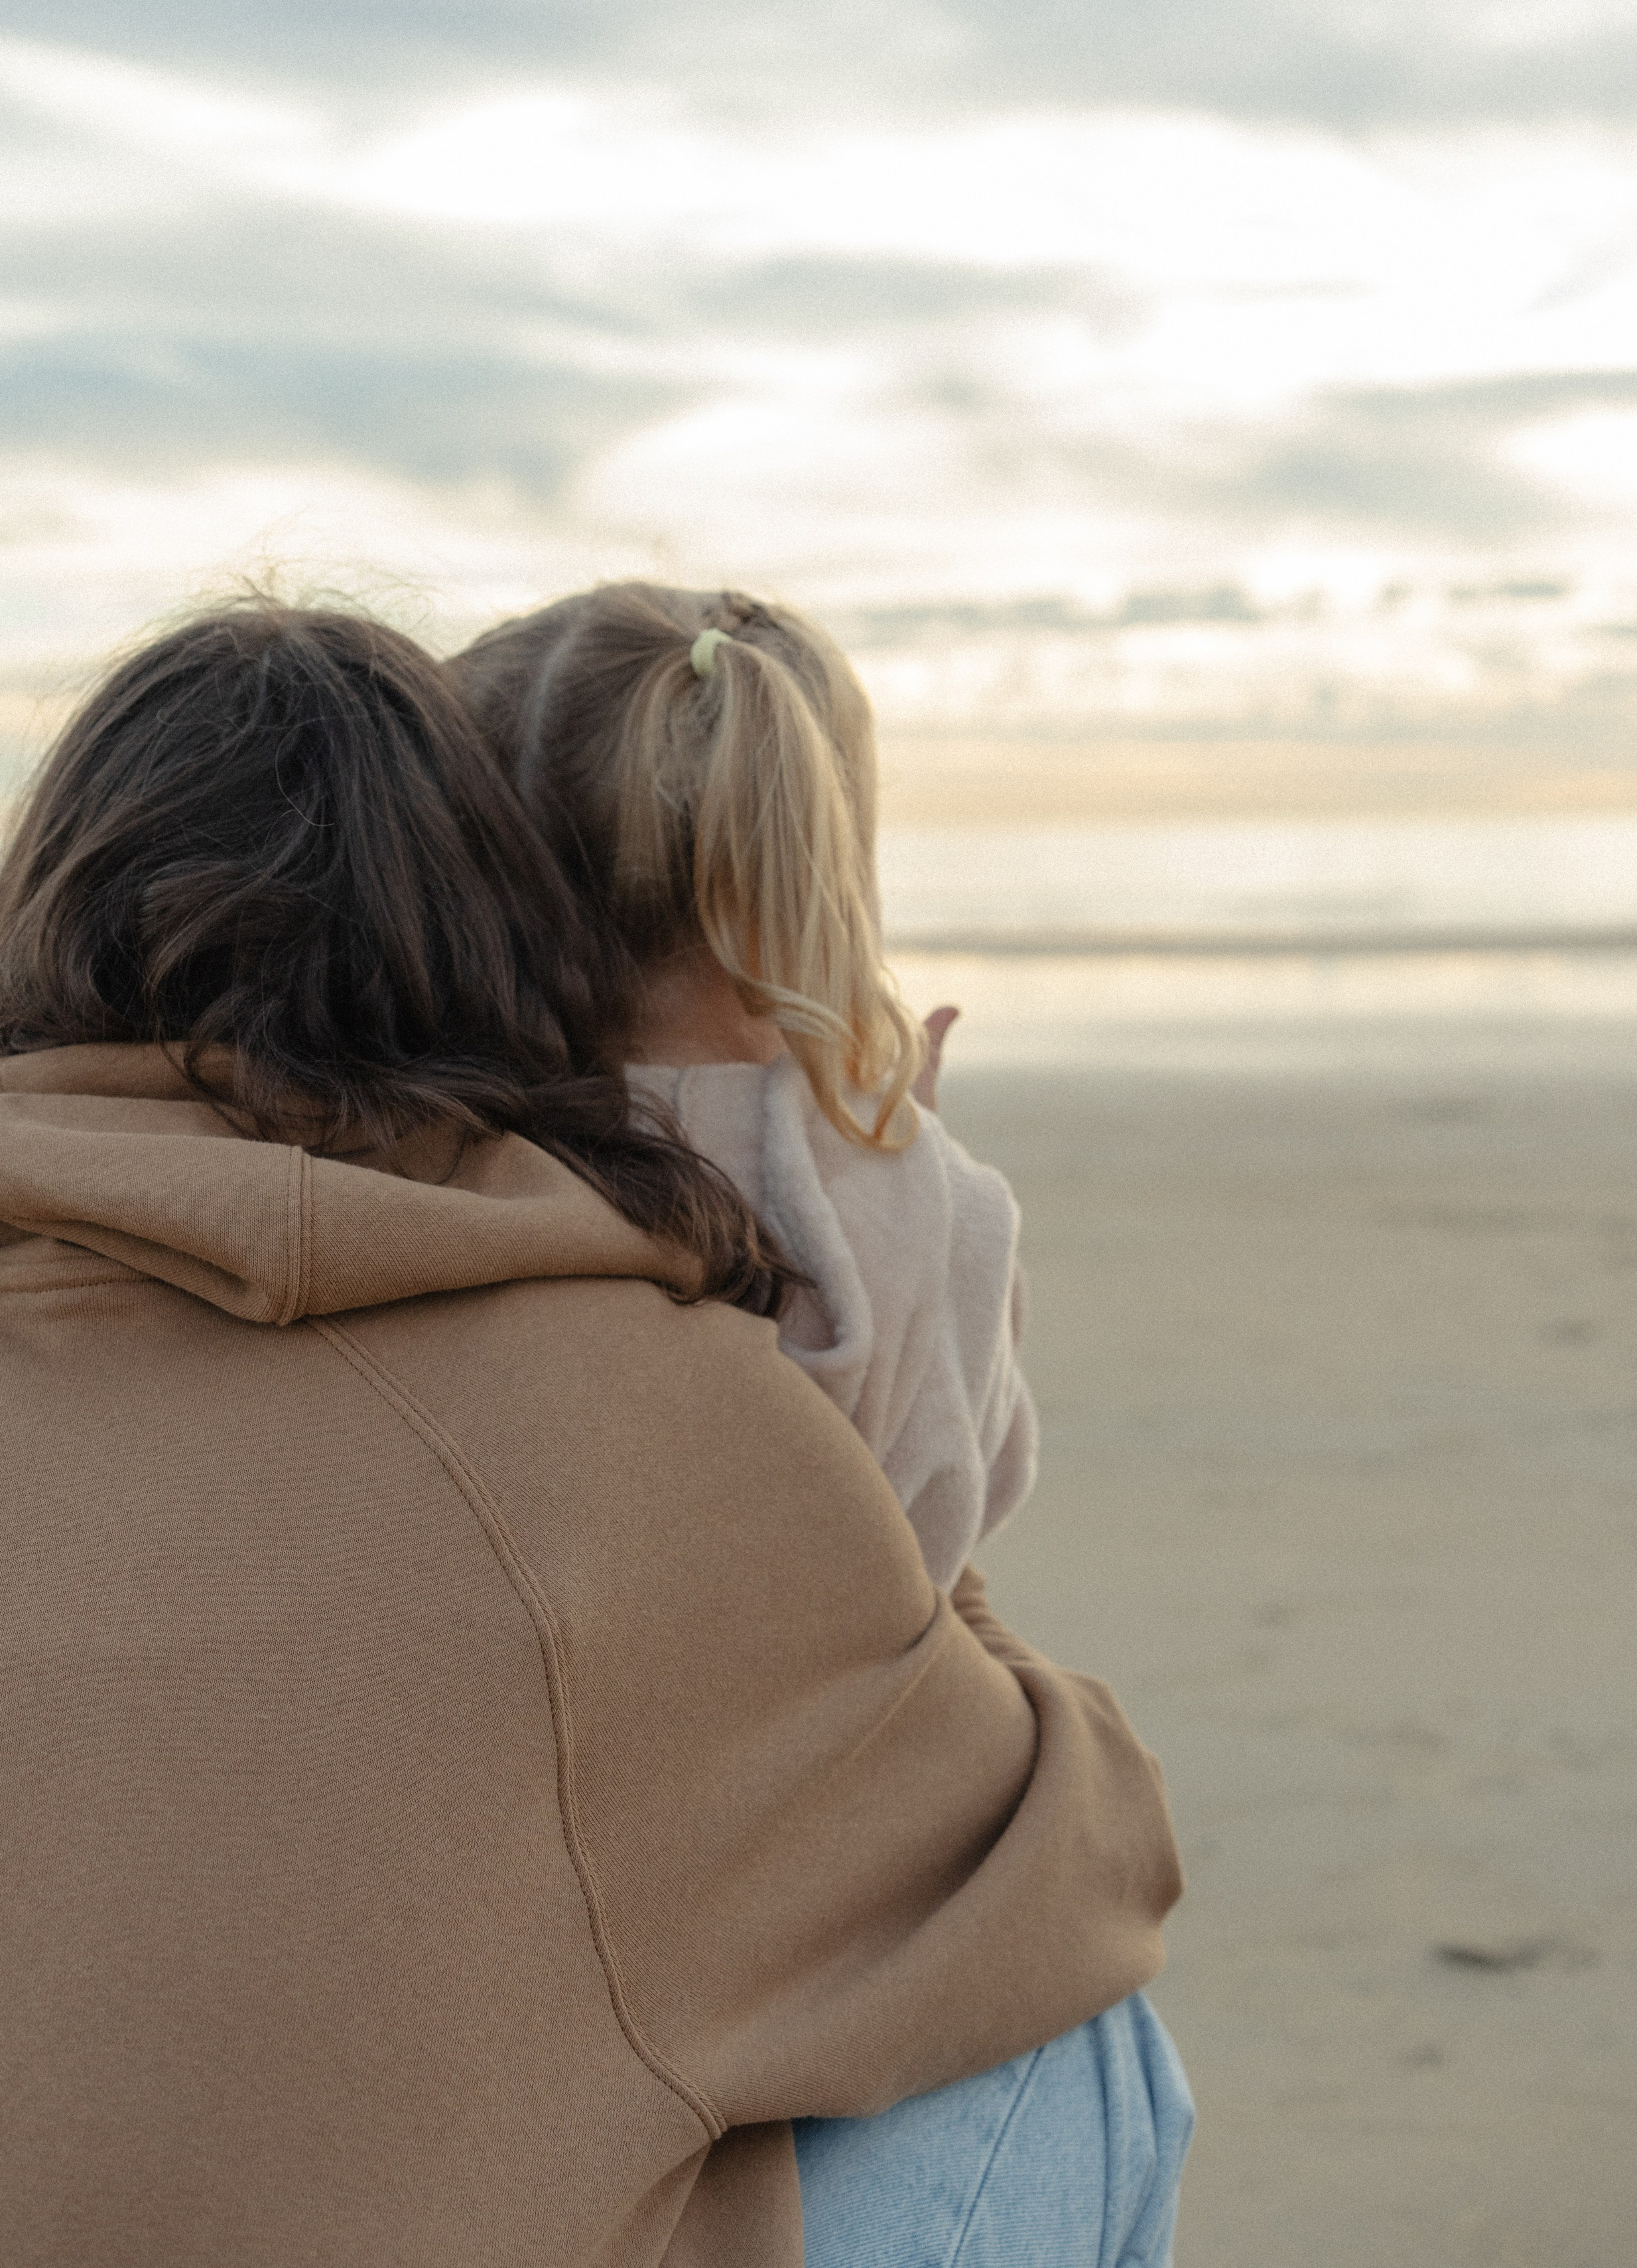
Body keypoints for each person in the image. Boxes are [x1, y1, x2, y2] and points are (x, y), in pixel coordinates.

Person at [0, 602, 1186, 2268]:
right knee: (1068, 2044)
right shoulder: (619, 1392)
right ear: (467, 944)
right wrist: (886, 1271)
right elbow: (1057, 1854)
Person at [454, 581, 1194, 2262]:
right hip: (790, 1844)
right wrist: (915, 1191)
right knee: (1114, 2068)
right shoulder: (885, 1179)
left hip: (529, 1824)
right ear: (822, 849)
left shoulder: (452, 1143)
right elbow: (946, 1515)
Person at [452, 581, 1034, 1594]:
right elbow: (972, 1496)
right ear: (822, 857)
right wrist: (911, 1172)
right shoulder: (937, 1209)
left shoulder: (428, 1148)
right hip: (835, 1715)